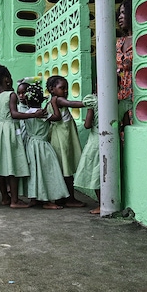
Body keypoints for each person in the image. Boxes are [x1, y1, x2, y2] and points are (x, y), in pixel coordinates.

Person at [0, 61, 45, 208]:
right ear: (6, 79)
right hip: (10, 133)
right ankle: (15, 200)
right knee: (13, 165)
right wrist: (34, 115)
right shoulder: (11, 95)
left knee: (1, 167)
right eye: (10, 77)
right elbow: (14, 114)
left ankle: (5, 198)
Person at [22, 83, 69, 209]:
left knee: (34, 172)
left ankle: (34, 198)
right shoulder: (41, 113)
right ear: (42, 99)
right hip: (42, 146)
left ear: (26, 99)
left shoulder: (27, 113)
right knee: (46, 172)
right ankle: (47, 201)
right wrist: (53, 103)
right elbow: (57, 118)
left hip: (30, 145)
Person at [46, 75, 86, 207]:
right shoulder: (58, 100)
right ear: (52, 89)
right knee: (66, 169)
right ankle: (70, 199)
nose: (66, 91)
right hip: (62, 139)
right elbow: (72, 104)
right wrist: (88, 103)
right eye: (62, 88)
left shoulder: (51, 102)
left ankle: (62, 198)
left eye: (66, 88)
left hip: (61, 138)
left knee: (63, 169)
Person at [74, 93, 100, 214]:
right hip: (114, 141)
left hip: (95, 142)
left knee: (96, 174)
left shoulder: (94, 103)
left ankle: (101, 204)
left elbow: (87, 125)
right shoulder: (122, 105)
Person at [116, 0, 133, 133]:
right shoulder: (119, 42)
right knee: (120, 126)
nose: (120, 17)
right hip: (120, 90)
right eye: (119, 14)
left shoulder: (143, 38)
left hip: (137, 89)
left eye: (124, 13)